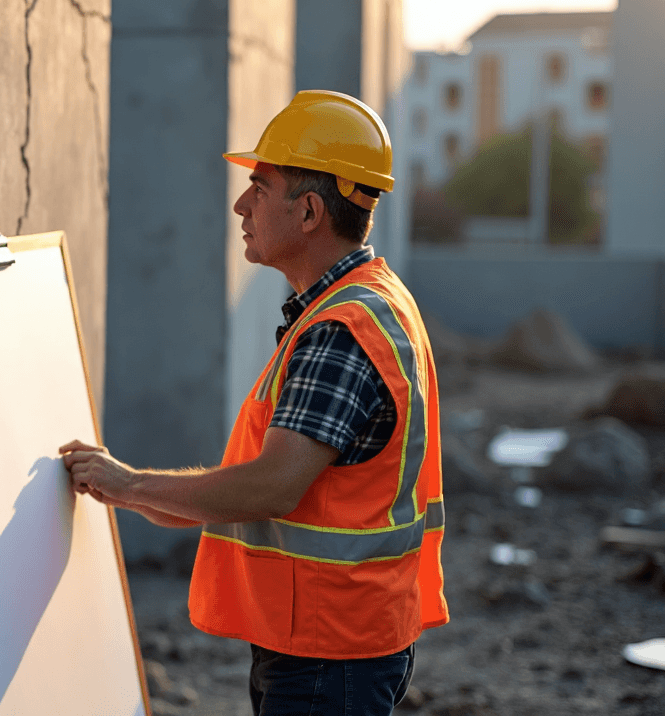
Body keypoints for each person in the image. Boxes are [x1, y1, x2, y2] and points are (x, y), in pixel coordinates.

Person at [61, 90, 448, 716]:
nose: (241, 205)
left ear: (310, 212)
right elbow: (264, 494)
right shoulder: (361, 303)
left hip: (329, 652)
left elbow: (271, 488)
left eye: (260, 187)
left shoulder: (342, 330)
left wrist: (131, 485)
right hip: (334, 640)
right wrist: (133, 492)